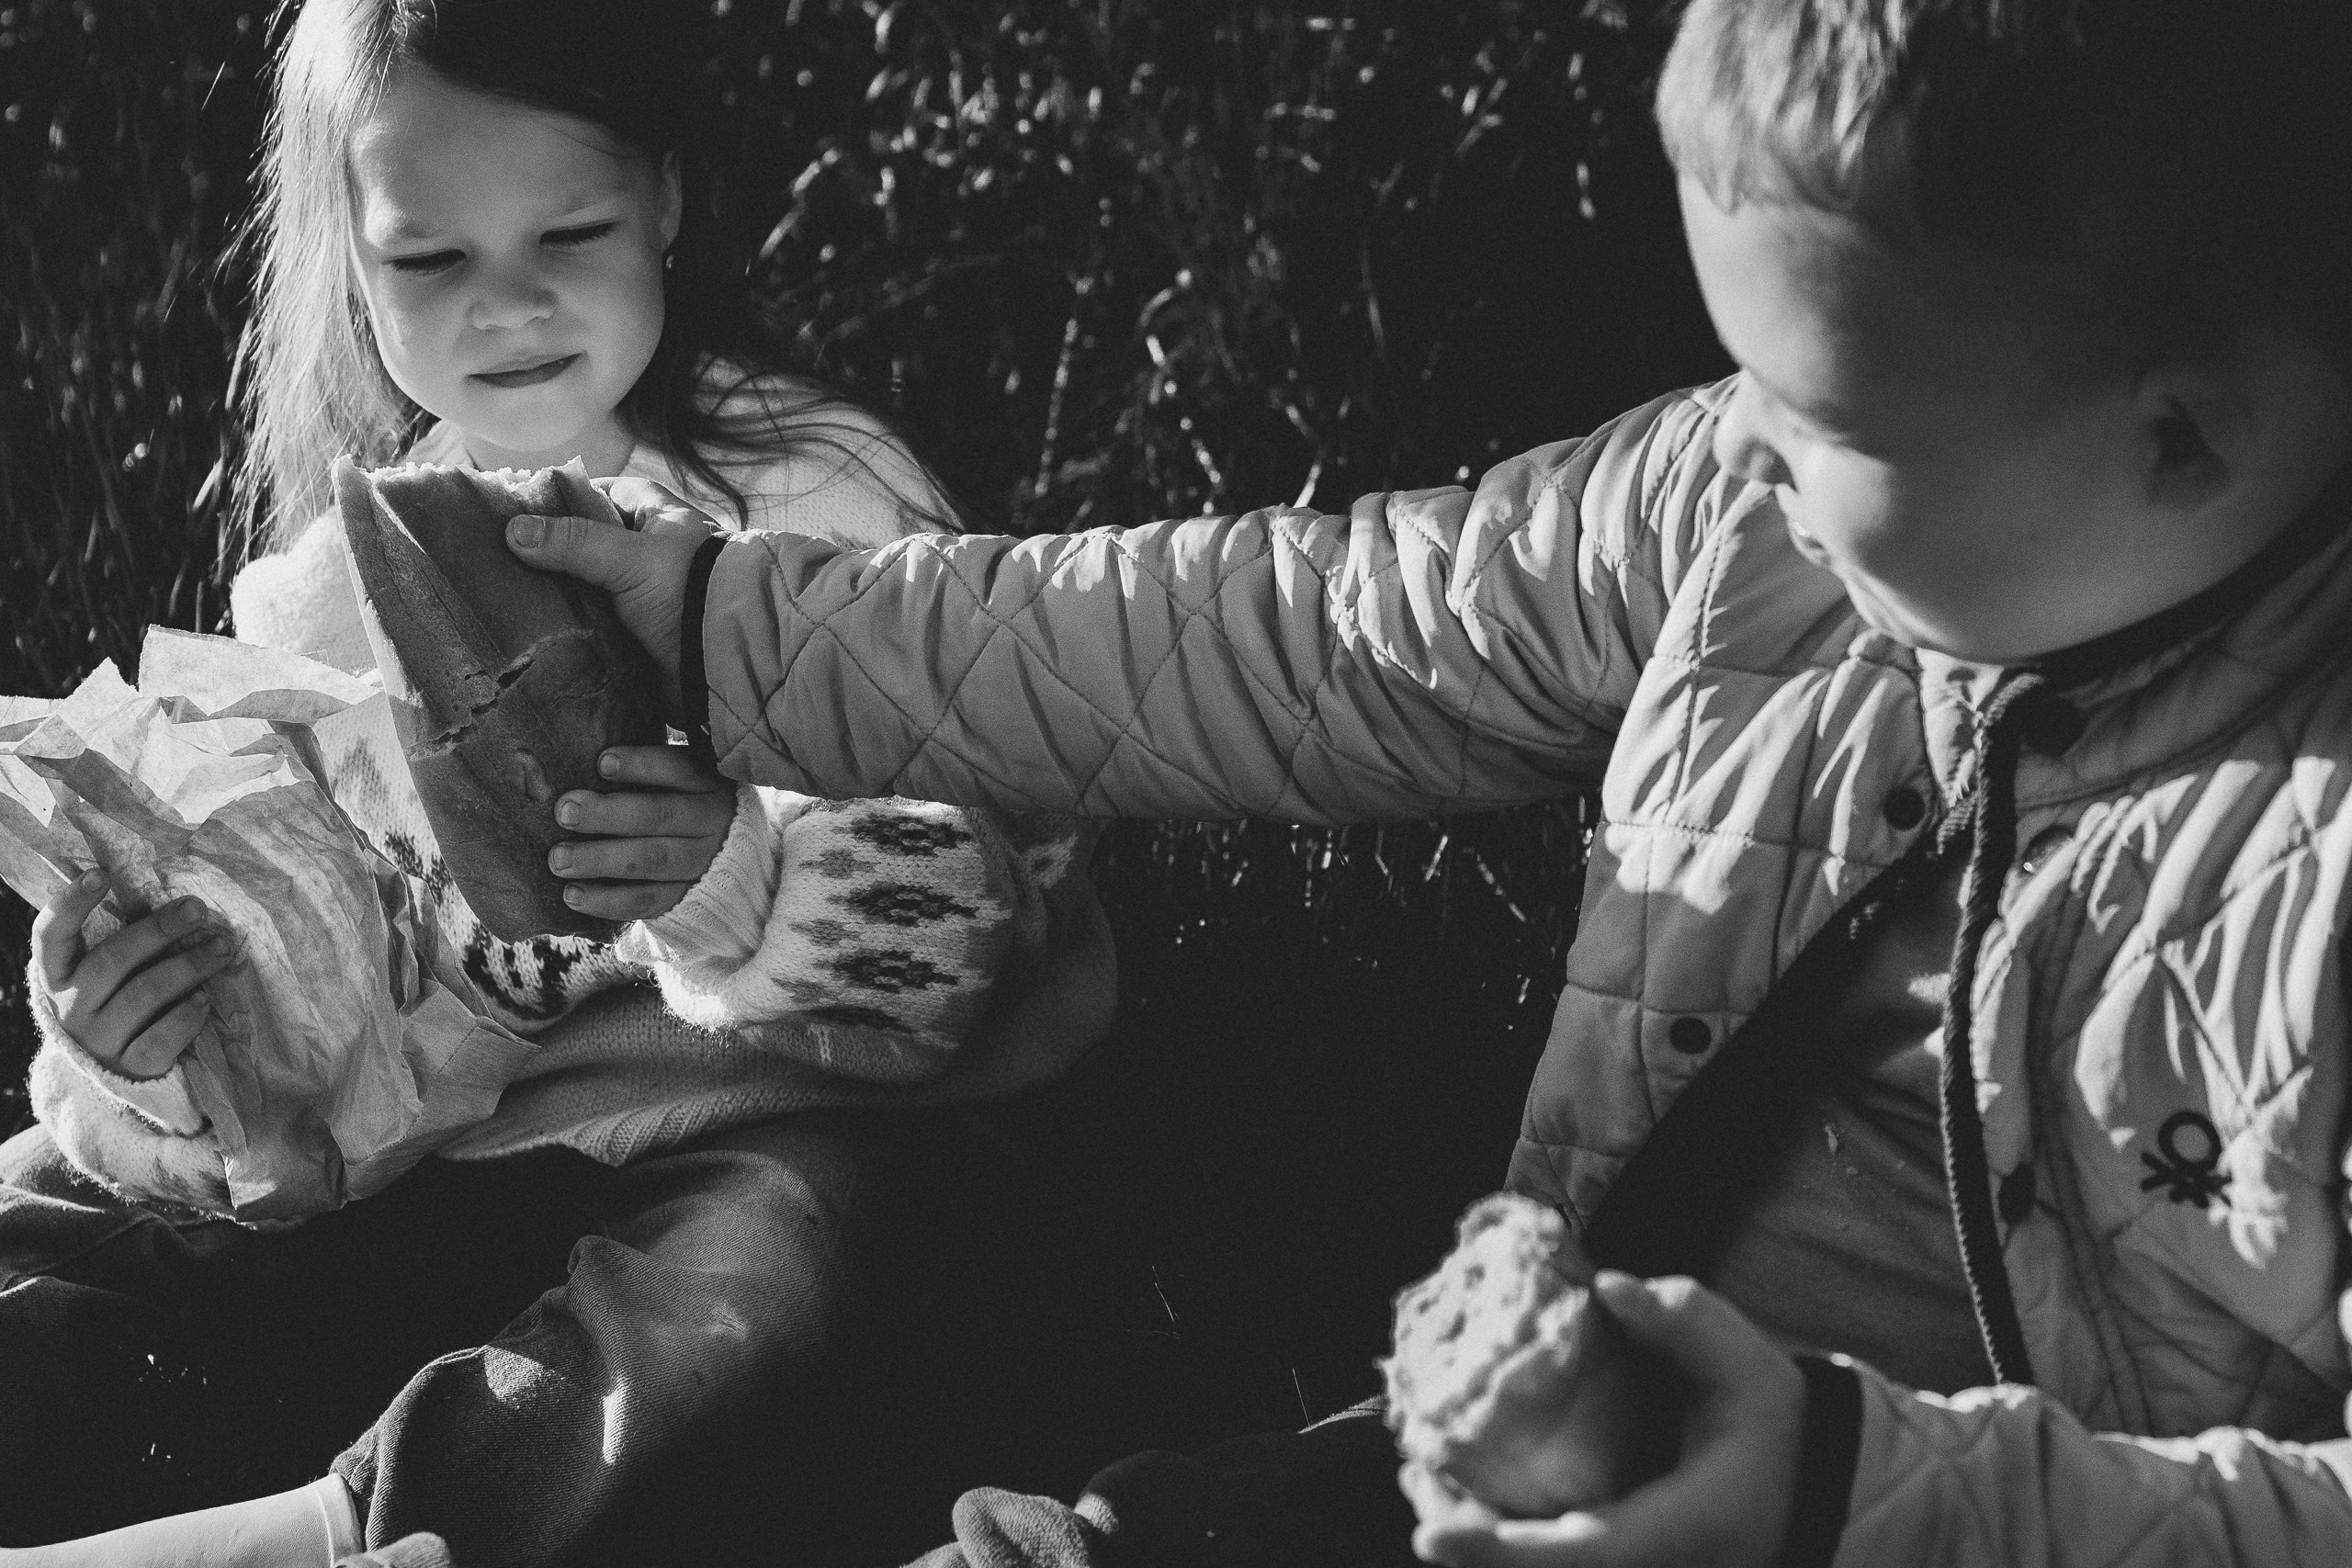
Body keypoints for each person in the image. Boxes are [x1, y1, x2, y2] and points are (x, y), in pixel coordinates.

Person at [509, 0, 2352, 1562]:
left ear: (2175, 433)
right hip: (1521, 1454)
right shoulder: (1751, 514)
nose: (1745, 448)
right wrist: (741, 636)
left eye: (1821, 416)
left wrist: (1828, 1488)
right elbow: (1310, 636)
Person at [0, 1, 1113, 1564]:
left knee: (762, 1284)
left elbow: (994, 930)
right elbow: (328, 1065)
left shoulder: (821, 506)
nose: (505, 308)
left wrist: (737, 871)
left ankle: (351, 1533)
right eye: (429, 260)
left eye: (568, 231)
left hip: (749, 1116)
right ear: (349, 254)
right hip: (444, 1160)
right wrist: (167, 1051)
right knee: (38, 1198)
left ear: (662, 197)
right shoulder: (326, 599)